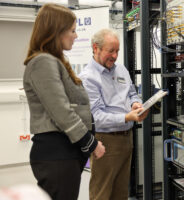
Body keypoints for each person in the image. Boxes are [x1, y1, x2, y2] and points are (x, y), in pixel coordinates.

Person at [23, 3, 105, 200]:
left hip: (64, 153)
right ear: (56, 31)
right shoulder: (43, 62)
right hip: (57, 154)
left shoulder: (54, 61)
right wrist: (90, 143)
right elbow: (61, 111)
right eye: (72, 31)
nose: (76, 36)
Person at [79, 29, 149, 200]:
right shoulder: (88, 78)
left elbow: (132, 93)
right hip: (105, 141)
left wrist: (135, 103)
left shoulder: (121, 70)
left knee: (120, 193)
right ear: (96, 48)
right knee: (102, 193)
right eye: (111, 51)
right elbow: (96, 117)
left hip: (127, 138)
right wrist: (127, 117)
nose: (115, 56)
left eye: (117, 51)